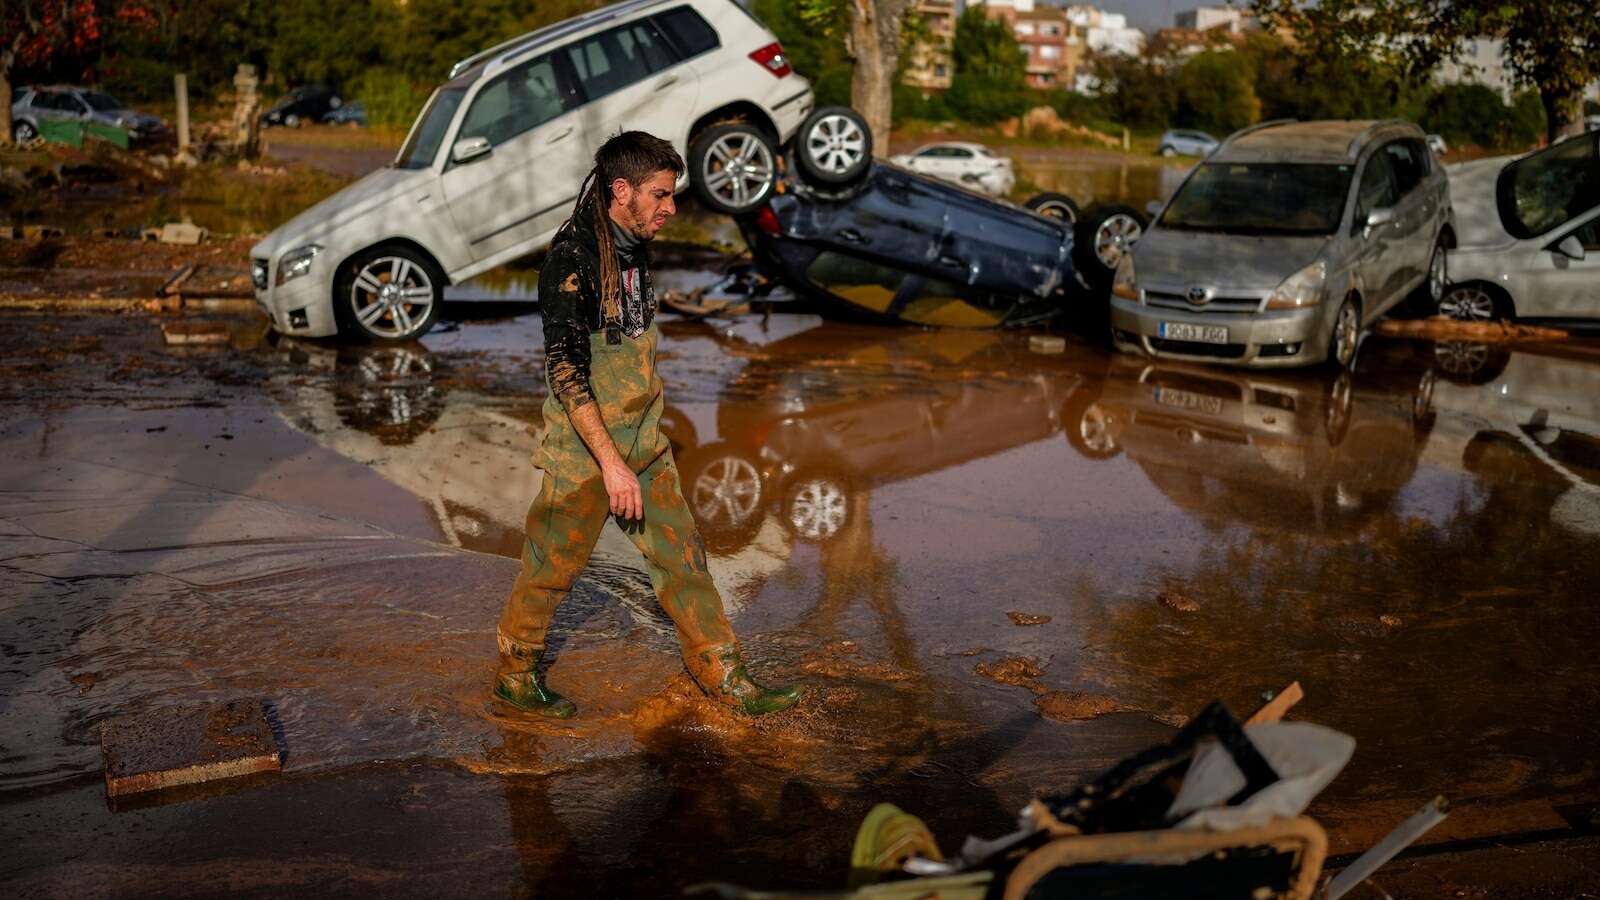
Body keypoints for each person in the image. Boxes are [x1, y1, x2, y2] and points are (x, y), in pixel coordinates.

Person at [494, 131, 803, 718]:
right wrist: (611, 466)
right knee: (550, 567)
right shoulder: (571, 260)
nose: (671, 209)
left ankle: (724, 676)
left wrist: (641, 451)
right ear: (621, 190)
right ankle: (514, 674)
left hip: (645, 443)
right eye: (661, 195)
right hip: (585, 452)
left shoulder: (634, 246)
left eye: (672, 195)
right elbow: (566, 372)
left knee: (682, 557)